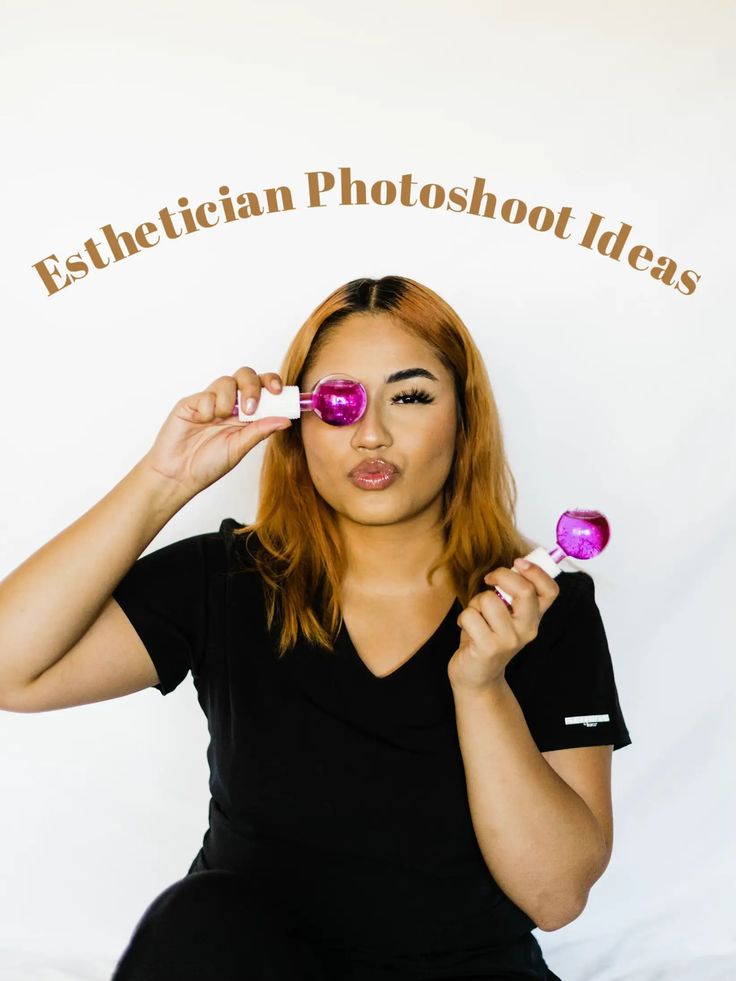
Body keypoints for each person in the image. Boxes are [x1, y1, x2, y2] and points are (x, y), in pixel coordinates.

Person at [0, 275, 631, 980]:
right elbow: (10, 668)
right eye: (340, 401)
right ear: (297, 420)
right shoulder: (227, 581)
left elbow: (555, 894)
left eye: (411, 396)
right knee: (198, 915)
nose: (371, 434)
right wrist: (164, 479)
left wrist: (482, 686)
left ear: (464, 419)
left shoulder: (546, 608)